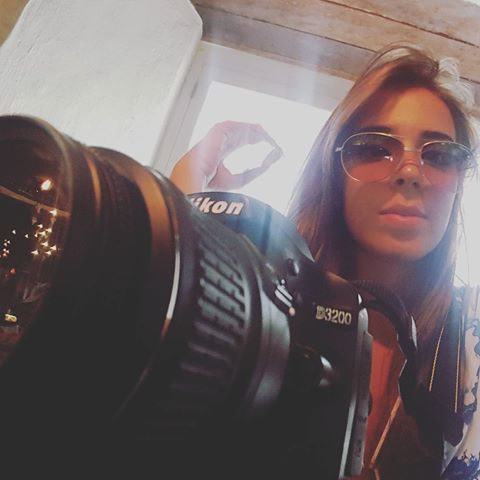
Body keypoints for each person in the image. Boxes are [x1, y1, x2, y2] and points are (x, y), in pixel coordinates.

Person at [170, 45, 479, 479]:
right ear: (333, 173)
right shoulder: (262, 302)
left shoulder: (471, 337)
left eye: (440, 155)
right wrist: (185, 209)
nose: (410, 171)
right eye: (374, 148)